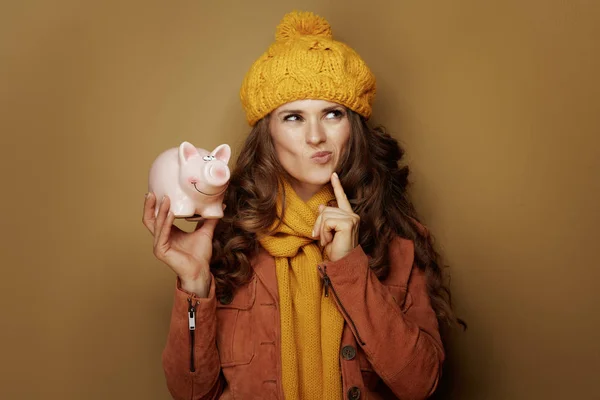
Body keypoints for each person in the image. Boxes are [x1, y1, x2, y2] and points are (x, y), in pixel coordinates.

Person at [142, 10, 461, 400]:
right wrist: (194, 285)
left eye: (332, 114)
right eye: (293, 117)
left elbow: (420, 385)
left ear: (353, 128)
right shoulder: (230, 242)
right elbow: (190, 393)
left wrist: (349, 269)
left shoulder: (396, 242)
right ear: (268, 134)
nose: (315, 137)